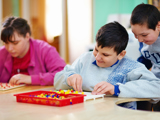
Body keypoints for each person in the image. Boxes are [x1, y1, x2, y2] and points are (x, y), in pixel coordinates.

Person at [54, 21, 160, 102]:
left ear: (121, 54)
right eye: (96, 50)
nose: (97, 57)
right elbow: (57, 78)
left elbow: (157, 88)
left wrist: (117, 89)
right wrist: (69, 78)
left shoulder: (131, 67)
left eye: (105, 54)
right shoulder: (85, 59)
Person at [0, 16, 66, 85]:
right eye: (6, 43)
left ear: (27, 36)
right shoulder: (2, 53)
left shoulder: (45, 50)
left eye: (15, 43)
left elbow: (63, 75)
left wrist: (30, 79)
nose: (9, 48)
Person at [130, 3, 160, 111]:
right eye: (135, 35)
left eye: (144, 35)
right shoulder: (143, 41)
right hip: (156, 86)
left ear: (158, 26)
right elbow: (145, 60)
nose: (139, 40)